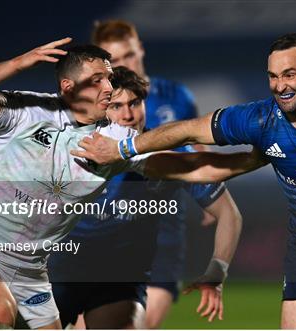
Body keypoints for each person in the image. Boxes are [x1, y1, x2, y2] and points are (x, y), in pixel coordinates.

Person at [72, 33, 296, 329]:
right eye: (273, 76)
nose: (280, 85)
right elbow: (189, 130)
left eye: (290, 74)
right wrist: (124, 147)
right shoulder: (260, 119)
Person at [0, 39, 255, 329]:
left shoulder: (115, 142)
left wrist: (262, 156)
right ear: (68, 86)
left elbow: (194, 168)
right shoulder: (27, 111)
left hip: (32, 274)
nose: (108, 87)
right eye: (97, 79)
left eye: (109, 78)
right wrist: (16, 63)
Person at [49, 66, 242, 329]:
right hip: (59, 273)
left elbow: (229, 213)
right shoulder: (72, 148)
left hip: (121, 282)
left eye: (134, 103)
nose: (127, 115)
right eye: (115, 106)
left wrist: (216, 272)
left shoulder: (168, 152)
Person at [89, 19, 216, 328]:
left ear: (140, 49)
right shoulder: (92, 102)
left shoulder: (176, 97)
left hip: (161, 233)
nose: (123, 64)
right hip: (103, 233)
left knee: (140, 324)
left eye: (129, 55)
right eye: (113, 60)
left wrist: (210, 190)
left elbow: (196, 146)